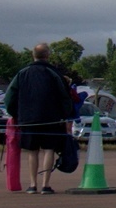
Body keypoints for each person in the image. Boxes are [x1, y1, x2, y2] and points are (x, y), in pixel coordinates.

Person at [4, 43, 74, 194]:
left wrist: (16, 113)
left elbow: (9, 97)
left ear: (33, 55)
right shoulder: (54, 74)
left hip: (28, 119)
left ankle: (32, 184)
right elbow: (65, 97)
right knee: (49, 150)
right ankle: (45, 185)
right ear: (47, 55)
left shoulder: (22, 74)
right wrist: (65, 114)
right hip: (51, 119)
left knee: (32, 151)